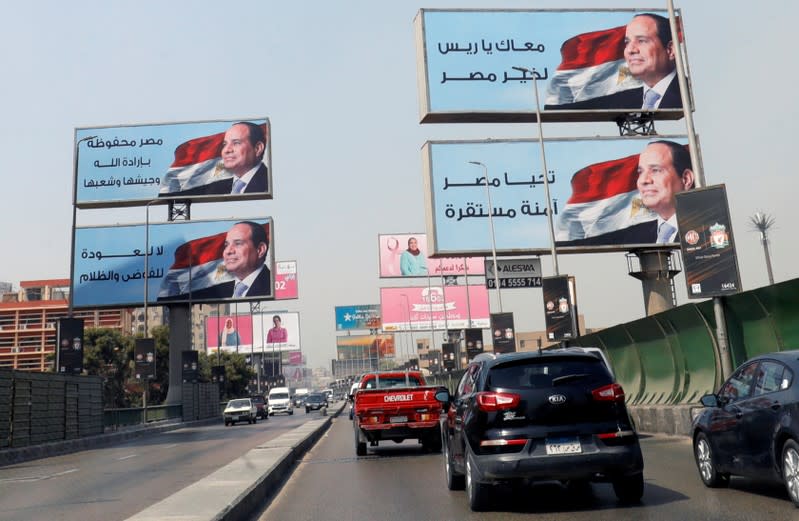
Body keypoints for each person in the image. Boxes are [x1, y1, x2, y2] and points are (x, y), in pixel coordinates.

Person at [557, 140, 694, 246]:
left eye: (656, 170)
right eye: (640, 172)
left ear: (686, 179)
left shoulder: (705, 228)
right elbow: (574, 245)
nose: (643, 180)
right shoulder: (635, 235)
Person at [546, 13, 681, 111]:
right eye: (627, 43)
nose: (630, 50)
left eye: (642, 41)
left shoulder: (687, 96)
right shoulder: (622, 102)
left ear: (670, 49)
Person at [167, 221, 272, 300]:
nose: (228, 251)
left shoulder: (271, 286)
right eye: (226, 245)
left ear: (260, 249)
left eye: (238, 243)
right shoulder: (219, 290)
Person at [163, 122, 268, 196]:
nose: (226, 150)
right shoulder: (218, 188)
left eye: (236, 143)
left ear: (258, 148)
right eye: (224, 144)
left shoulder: (267, 184)